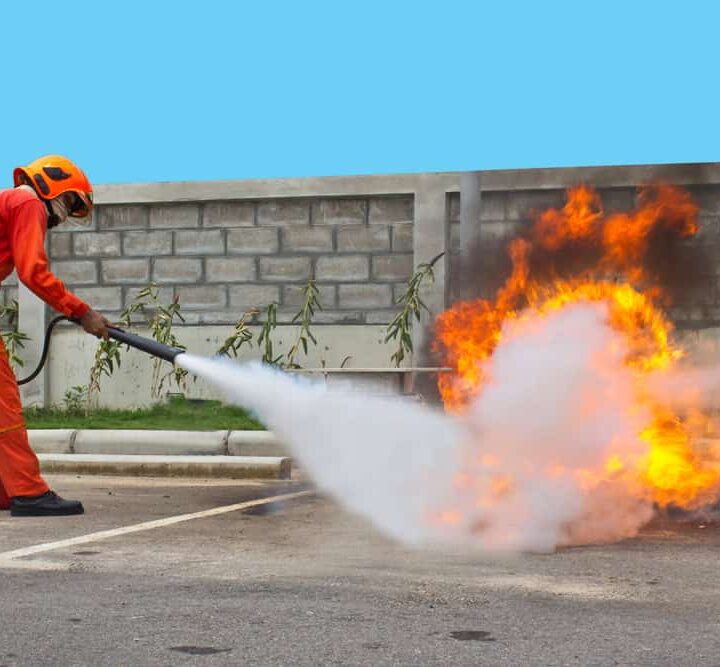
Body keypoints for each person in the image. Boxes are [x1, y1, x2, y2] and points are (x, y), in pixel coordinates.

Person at [0, 155, 110, 516]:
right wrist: (81, 311)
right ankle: (28, 493)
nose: (64, 217)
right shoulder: (27, 201)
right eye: (70, 204)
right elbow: (33, 271)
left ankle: (7, 490)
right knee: (4, 407)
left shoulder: (10, 202)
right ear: (53, 187)